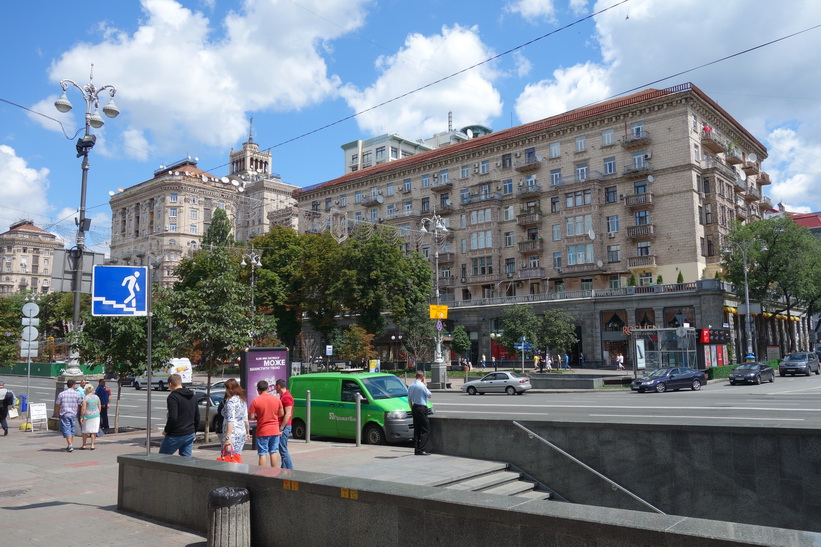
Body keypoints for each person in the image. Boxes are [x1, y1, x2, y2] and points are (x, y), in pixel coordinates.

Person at [159, 373, 199, 457]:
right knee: (186, 460)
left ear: (170, 384)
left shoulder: (173, 397)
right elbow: (197, 416)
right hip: (190, 433)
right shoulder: (193, 396)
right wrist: (194, 432)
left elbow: (173, 417)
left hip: (176, 434)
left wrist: (166, 430)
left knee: (162, 458)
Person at [248, 380, 284, 467]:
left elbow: (250, 417)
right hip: (274, 429)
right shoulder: (276, 399)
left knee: (262, 453)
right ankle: (275, 472)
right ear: (268, 388)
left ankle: (262, 474)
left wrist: (258, 417)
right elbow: (281, 413)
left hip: (262, 430)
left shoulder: (255, 401)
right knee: (273, 452)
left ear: (258, 390)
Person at [221, 378, 250, 458]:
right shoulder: (242, 400)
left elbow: (230, 420)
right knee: (237, 457)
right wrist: (247, 432)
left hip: (232, 433)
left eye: (226, 388)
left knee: (228, 458)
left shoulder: (230, 401)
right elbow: (245, 418)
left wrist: (228, 437)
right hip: (241, 432)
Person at [55, 379, 83, 452]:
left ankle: (70, 445)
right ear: (73, 385)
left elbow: (57, 404)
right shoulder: (77, 394)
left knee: (67, 429)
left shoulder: (62, 394)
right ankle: (70, 444)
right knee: (72, 429)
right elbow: (80, 404)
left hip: (64, 413)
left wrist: (57, 413)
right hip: (73, 414)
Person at [407, 371, 432, 456]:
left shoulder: (411, 386)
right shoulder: (422, 386)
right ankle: (421, 449)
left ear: (415, 376)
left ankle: (416, 449)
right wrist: (425, 384)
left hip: (414, 407)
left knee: (417, 429)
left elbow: (409, 399)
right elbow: (429, 395)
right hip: (421, 408)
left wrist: (412, 409)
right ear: (422, 377)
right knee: (426, 429)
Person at [275, 379, 294, 469]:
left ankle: (290, 470)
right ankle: (284, 469)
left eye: (275, 387)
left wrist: (281, 427)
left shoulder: (286, 397)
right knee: (282, 449)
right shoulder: (284, 396)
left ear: (278, 386)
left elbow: (288, 413)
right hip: (285, 426)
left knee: (283, 450)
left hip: (285, 426)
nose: (275, 388)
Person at [79, 385, 101, 450]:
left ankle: (84, 445)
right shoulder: (96, 397)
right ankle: (92, 445)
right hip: (96, 415)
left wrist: (81, 416)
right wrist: (98, 412)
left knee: (85, 431)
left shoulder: (85, 398)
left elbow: (83, 408)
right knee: (94, 431)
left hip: (87, 416)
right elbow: (99, 405)